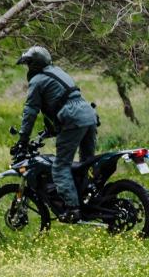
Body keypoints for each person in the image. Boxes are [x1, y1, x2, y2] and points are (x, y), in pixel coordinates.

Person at [15, 46, 99, 224]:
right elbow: (59, 100)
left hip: (73, 119)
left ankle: (72, 209)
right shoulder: (58, 71)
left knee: (60, 166)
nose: (28, 67)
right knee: (87, 162)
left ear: (35, 64)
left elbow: (31, 112)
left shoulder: (37, 80)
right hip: (88, 115)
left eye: (29, 63)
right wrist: (51, 129)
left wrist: (23, 139)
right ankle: (91, 198)